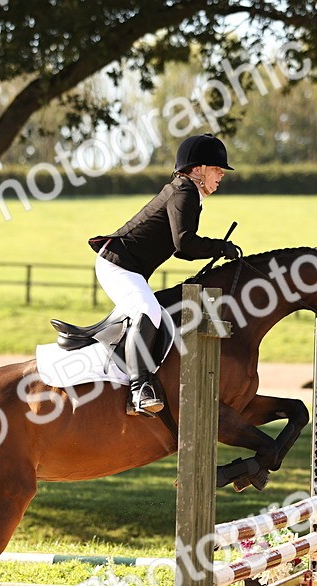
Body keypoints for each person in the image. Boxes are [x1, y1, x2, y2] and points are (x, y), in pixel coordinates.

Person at [87, 133, 243, 417]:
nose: (221, 175)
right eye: (217, 169)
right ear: (198, 170)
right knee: (148, 310)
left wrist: (214, 249)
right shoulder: (183, 191)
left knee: (153, 309)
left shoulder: (187, 192)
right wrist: (219, 247)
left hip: (128, 266)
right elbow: (185, 242)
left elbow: (181, 249)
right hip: (117, 264)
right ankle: (139, 389)